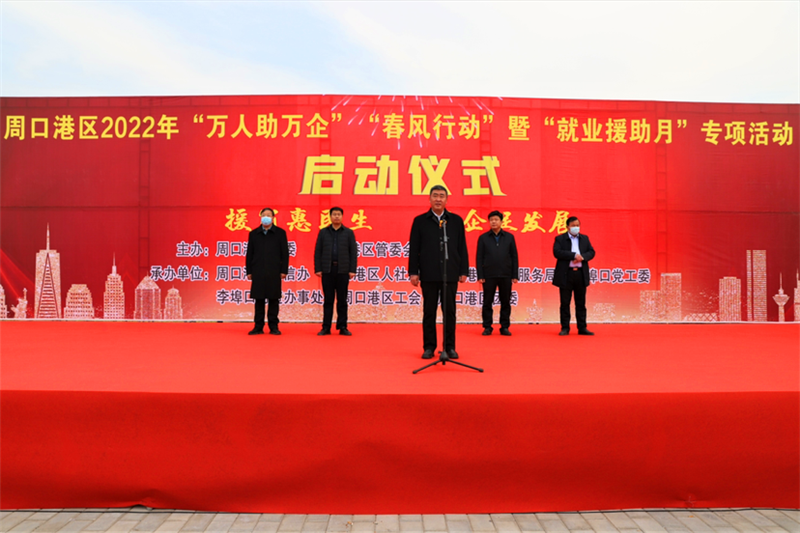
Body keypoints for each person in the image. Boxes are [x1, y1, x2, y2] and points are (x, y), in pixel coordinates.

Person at [408, 185, 469, 359]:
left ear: (447, 200)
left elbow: (461, 247)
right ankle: (429, 347)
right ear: (429, 199)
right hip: (429, 272)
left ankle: (449, 347)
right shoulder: (420, 221)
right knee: (429, 311)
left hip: (450, 272)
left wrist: (463, 270)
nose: (438, 199)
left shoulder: (455, 221)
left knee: (449, 311)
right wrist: (413, 272)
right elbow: (414, 248)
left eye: (442, 196)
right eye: (435, 195)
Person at [314, 206, 357, 336]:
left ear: (342, 216)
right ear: (330, 216)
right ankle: (326, 327)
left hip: (343, 270)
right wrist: (318, 268)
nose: (337, 216)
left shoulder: (348, 233)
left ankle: (342, 326)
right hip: (327, 270)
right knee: (328, 300)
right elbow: (318, 251)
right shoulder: (323, 232)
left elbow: (353, 253)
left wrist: (352, 270)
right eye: (334, 214)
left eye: (339, 214)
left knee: (342, 300)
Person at [245, 207, 289, 335]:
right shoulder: (254, 234)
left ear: (273, 218)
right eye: (264, 215)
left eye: (269, 215)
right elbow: (249, 254)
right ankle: (258, 326)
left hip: (274, 271)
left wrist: (284, 270)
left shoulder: (280, 233)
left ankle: (273, 326)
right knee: (259, 300)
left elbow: (285, 253)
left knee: (273, 299)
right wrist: (249, 271)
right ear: (260, 217)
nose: (266, 217)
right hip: (258, 270)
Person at [476, 210, 519, 336]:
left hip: (506, 274)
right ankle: (487, 326)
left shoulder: (509, 237)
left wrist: (515, 275)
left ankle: (504, 327)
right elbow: (479, 257)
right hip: (489, 275)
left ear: (501, 221)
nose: (493, 222)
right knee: (487, 302)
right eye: (491, 220)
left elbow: (514, 256)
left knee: (505, 302)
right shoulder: (483, 238)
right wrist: (480, 275)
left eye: (496, 220)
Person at [552, 216, 596, 336]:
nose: (576, 228)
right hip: (566, 274)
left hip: (580, 274)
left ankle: (582, 327)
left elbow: (591, 252)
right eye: (573, 225)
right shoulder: (560, 239)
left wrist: (583, 257)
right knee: (565, 303)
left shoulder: (584, 238)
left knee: (581, 303)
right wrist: (573, 255)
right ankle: (565, 328)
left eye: (577, 225)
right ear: (567, 227)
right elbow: (557, 252)